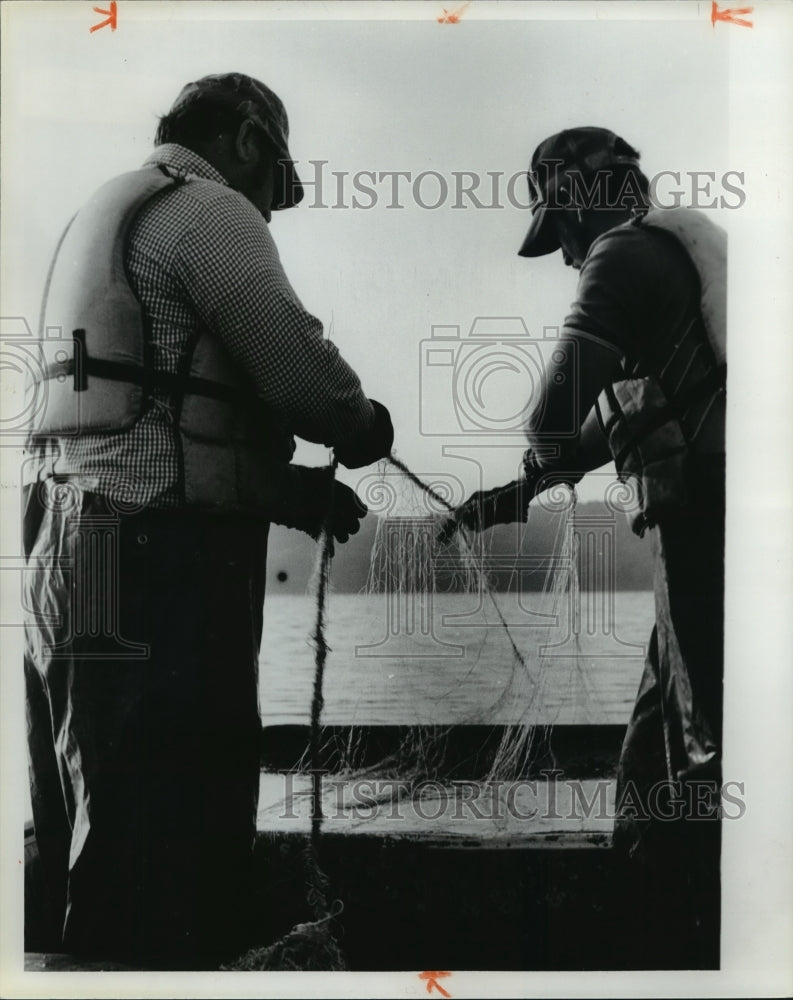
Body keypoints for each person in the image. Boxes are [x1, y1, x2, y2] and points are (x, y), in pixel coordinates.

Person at [23, 73, 393, 969]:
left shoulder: (100, 214)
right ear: (249, 142)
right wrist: (360, 424)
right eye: (277, 181)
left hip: (69, 536)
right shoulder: (211, 210)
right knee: (175, 824)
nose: (273, 206)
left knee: (97, 804)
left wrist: (294, 493)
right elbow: (297, 371)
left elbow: (159, 422)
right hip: (161, 560)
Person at [443, 127, 726, 967]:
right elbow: (610, 426)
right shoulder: (689, 254)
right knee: (653, 744)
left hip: (704, 527)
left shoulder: (619, 256)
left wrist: (535, 455)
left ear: (571, 196)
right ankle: (653, 937)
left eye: (556, 230)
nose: (564, 255)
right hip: (725, 524)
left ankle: (701, 943)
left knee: (701, 738)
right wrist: (517, 494)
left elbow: (550, 422)